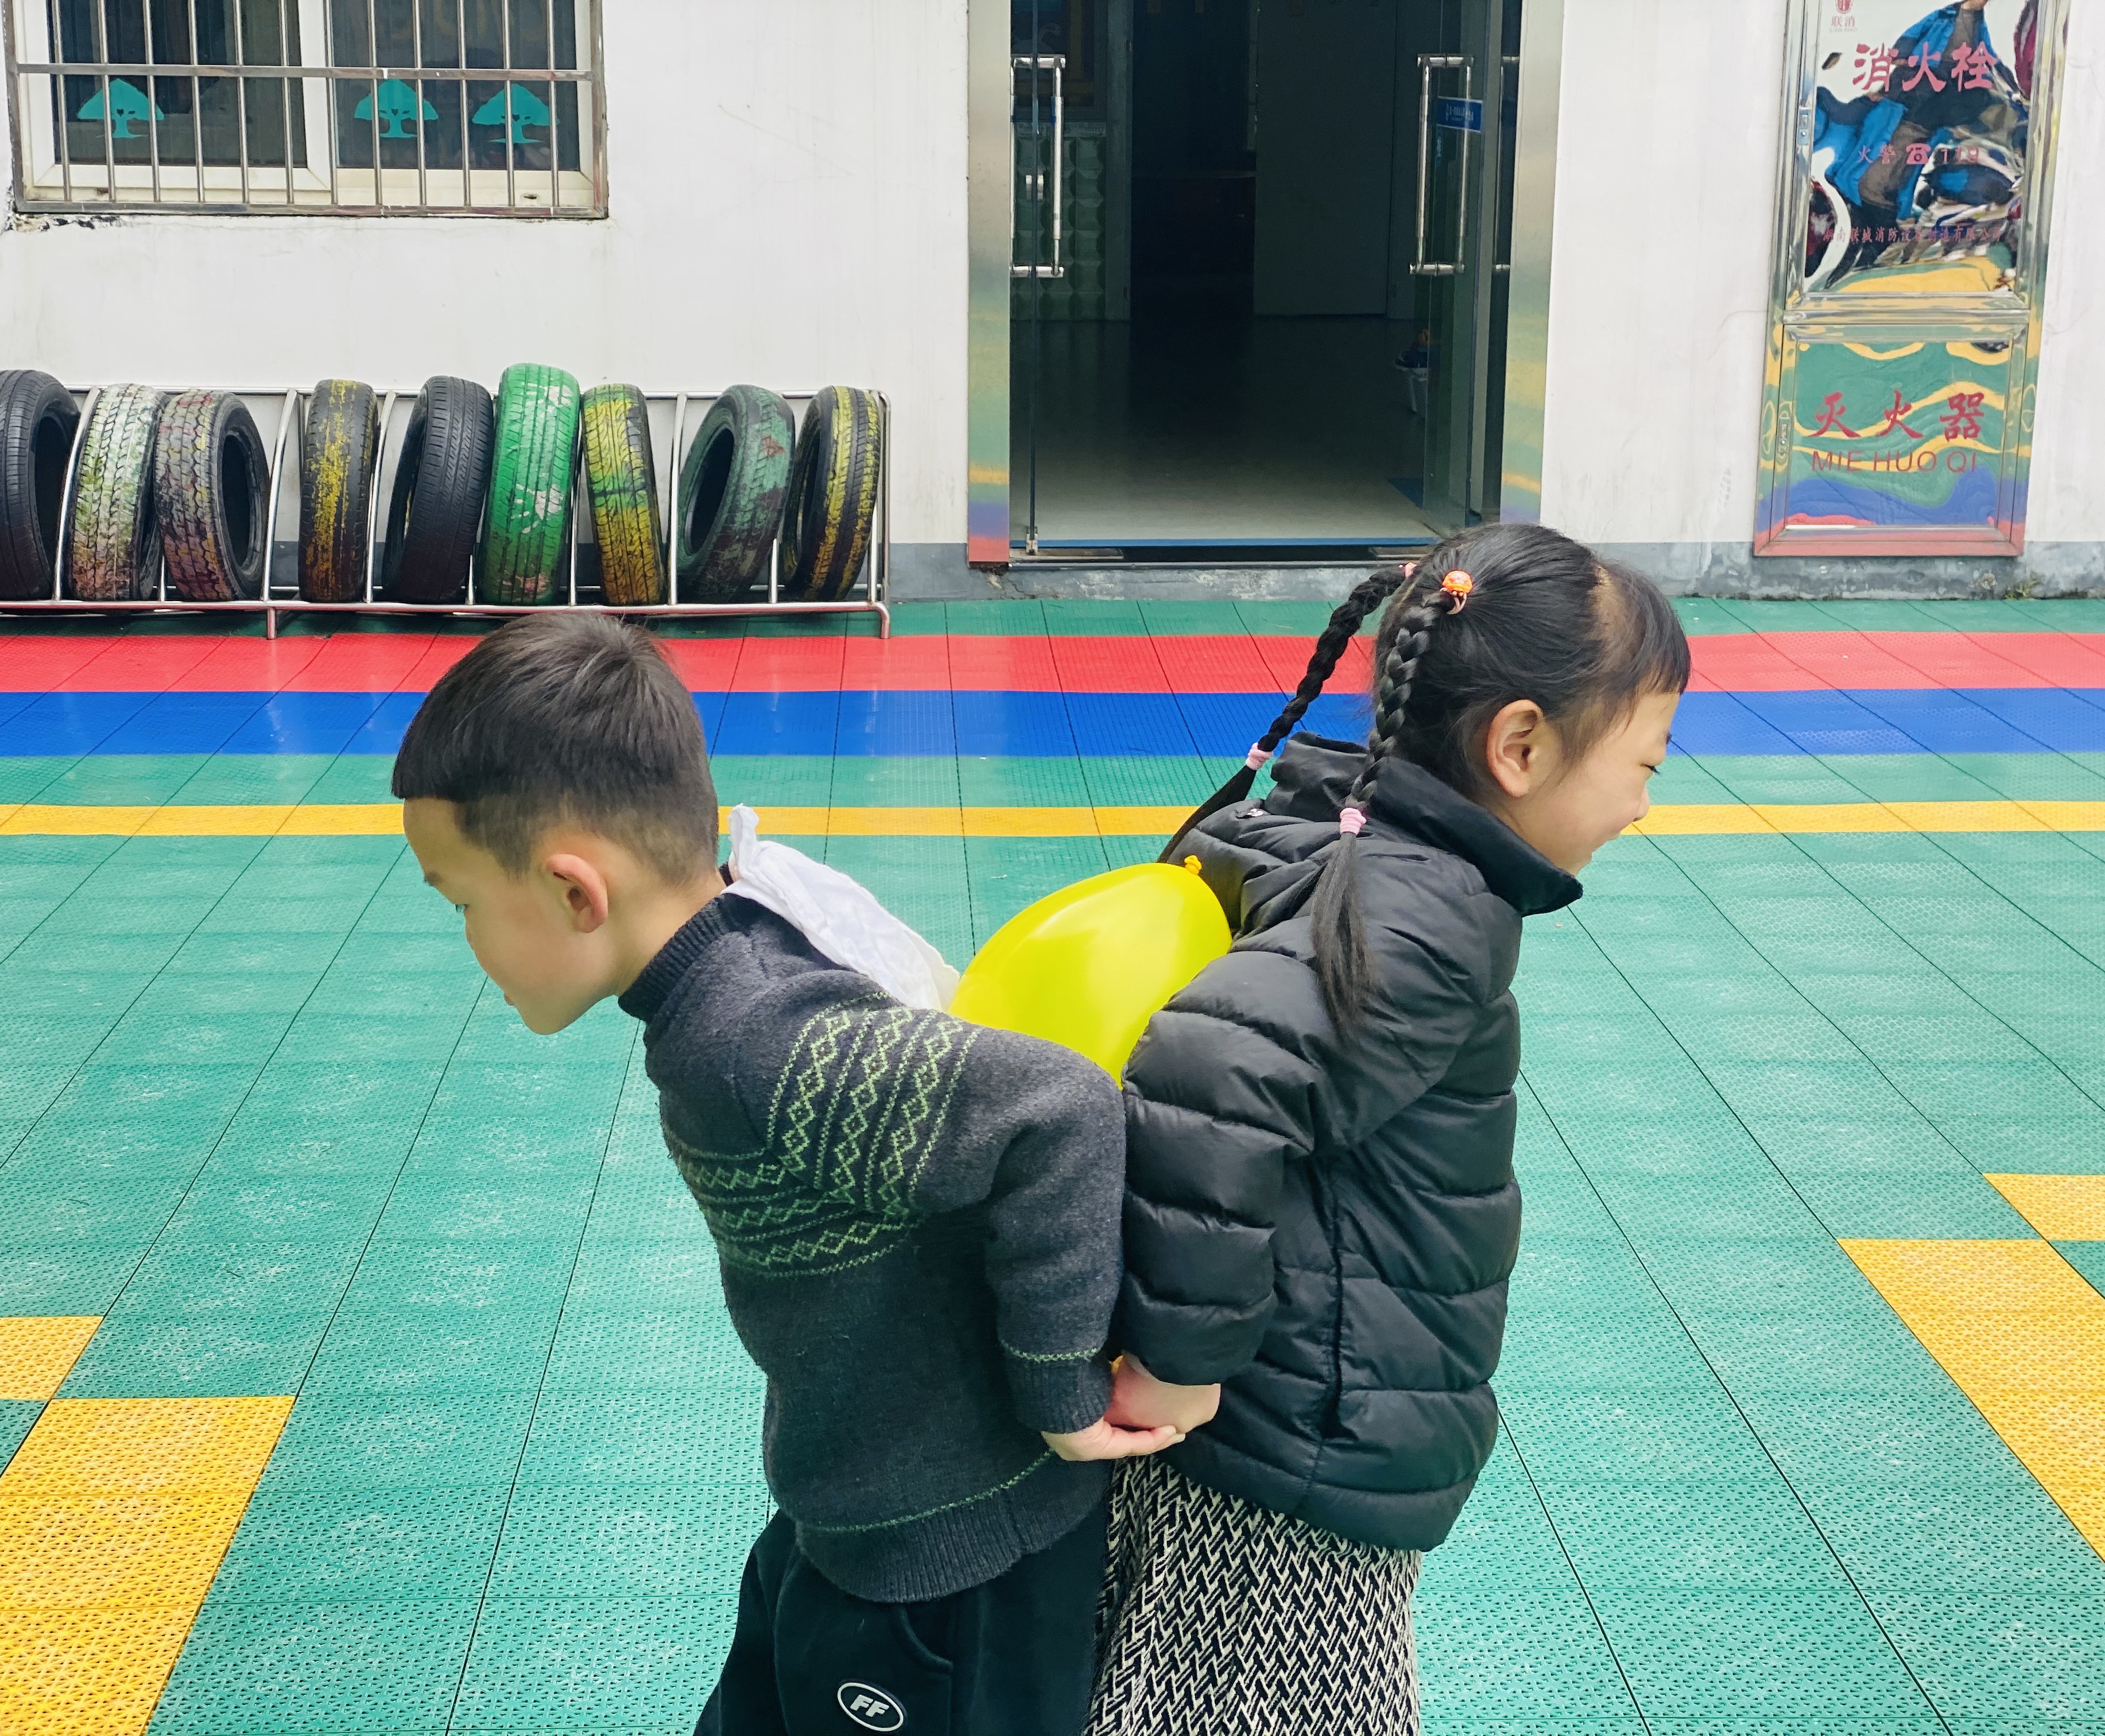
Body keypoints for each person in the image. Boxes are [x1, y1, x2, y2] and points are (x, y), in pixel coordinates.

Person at [390, 615, 1192, 1736]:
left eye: (463, 903)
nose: (469, 940)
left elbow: (1057, 1109)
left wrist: (1060, 1395)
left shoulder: (751, 1046)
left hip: (947, 1571)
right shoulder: (732, 957)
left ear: (576, 891)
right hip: (852, 1515)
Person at [1095, 524, 1690, 1735]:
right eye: (1644, 764)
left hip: (1278, 1424)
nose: (1642, 805)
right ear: (1520, 746)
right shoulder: (1426, 916)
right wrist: (1181, 1363)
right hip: (1304, 1458)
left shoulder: (1327, 842)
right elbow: (1215, 1074)